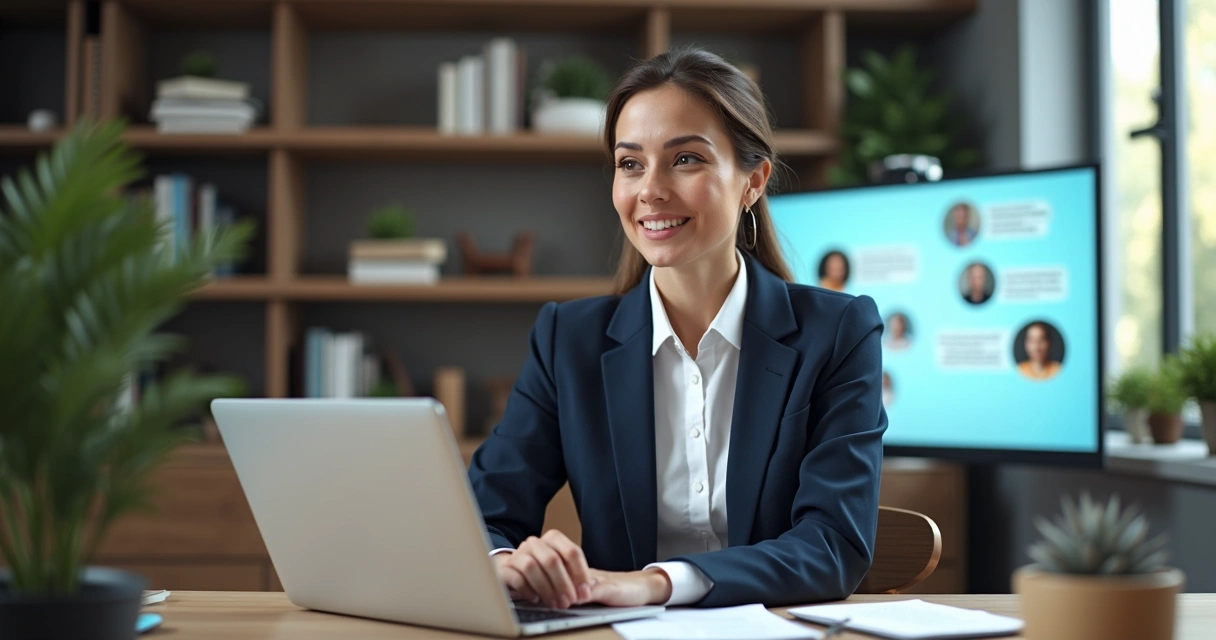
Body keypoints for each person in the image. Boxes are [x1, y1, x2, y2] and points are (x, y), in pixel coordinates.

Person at [467, 47, 886, 611]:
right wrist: (507, 565)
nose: (650, 190)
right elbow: (483, 511)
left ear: (753, 182)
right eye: (630, 163)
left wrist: (652, 584)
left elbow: (833, 546)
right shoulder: (569, 340)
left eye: (685, 159)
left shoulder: (838, 333)